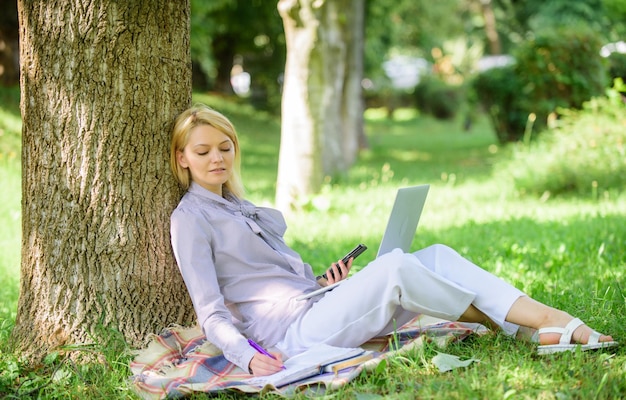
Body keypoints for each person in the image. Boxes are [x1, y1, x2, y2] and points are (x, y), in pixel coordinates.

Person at [169, 104, 617, 377]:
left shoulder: (238, 205)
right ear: (182, 158)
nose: (217, 158)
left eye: (224, 147)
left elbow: (273, 280)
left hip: (316, 305)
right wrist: (246, 358)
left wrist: (324, 281)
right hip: (290, 337)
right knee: (399, 267)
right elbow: (209, 310)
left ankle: (541, 324)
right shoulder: (191, 220)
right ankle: (539, 324)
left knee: (436, 254)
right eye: (203, 151)